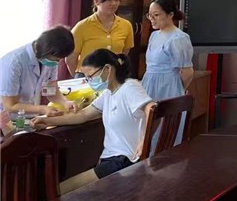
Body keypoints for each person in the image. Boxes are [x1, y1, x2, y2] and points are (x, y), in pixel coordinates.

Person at [32, 48, 154, 193]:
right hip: (112, 159)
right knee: (58, 188)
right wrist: (46, 122)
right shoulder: (108, 93)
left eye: (90, 76)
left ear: (107, 69)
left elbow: (151, 108)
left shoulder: (130, 87)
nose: (89, 81)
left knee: (61, 190)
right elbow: (82, 115)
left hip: (125, 160)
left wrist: (143, 141)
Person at [141, 0, 193, 145]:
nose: (152, 19)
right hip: (149, 84)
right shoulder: (154, 35)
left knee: (163, 132)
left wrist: (177, 90)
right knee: (145, 131)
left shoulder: (178, 38)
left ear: (170, 15)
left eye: (156, 15)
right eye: (150, 15)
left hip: (168, 87)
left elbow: (187, 71)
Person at [0, 26, 77, 116]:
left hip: (30, 116)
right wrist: (42, 109)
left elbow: (50, 91)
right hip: (8, 117)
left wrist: (65, 102)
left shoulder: (50, 60)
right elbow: (10, 105)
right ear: (46, 51)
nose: (58, 62)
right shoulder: (13, 63)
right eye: (56, 59)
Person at [68, 0, 134, 76]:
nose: (114, 3)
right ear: (96, 1)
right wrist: (80, 78)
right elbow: (70, 58)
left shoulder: (126, 25)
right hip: (87, 77)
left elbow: (124, 52)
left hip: (113, 76)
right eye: (109, 0)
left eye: (117, 0)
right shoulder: (82, 26)